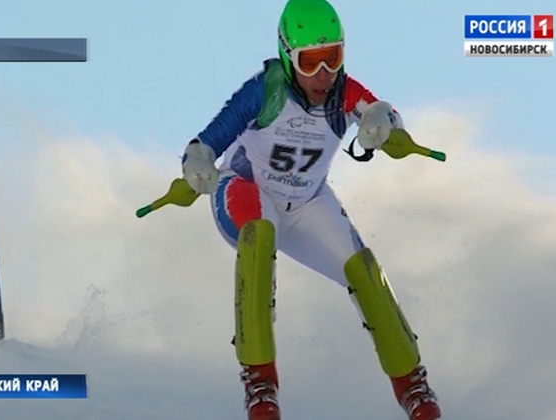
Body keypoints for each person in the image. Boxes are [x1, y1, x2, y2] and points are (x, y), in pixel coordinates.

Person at [179, 0, 442, 419]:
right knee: (259, 235)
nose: (323, 75)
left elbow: (382, 112)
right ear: (287, 57)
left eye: (332, 58)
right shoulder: (265, 89)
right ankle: (259, 379)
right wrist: (196, 162)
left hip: (306, 203)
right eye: (310, 62)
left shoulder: (343, 92)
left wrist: (383, 124)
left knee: (364, 268)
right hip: (246, 190)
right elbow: (209, 139)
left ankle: (412, 382)